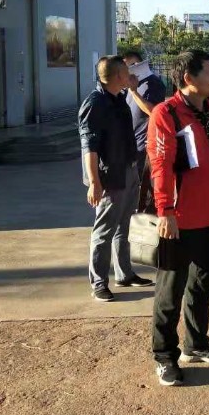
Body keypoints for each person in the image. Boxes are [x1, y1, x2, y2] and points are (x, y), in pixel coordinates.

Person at [147, 50, 209, 387]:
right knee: (170, 293)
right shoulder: (166, 113)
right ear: (188, 78)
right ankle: (165, 356)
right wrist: (165, 210)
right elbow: (160, 165)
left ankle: (196, 344)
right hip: (178, 219)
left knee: (202, 286)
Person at [78, 56, 153, 302]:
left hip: (128, 170)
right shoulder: (95, 103)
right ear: (118, 76)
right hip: (110, 176)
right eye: (127, 72)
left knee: (124, 225)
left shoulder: (119, 98)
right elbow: (89, 146)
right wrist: (94, 182)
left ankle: (125, 274)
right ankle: (99, 282)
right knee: (104, 231)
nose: (131, 75)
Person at [123, 51, 167, 214]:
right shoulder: (129, 87)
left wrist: (134, 92)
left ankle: (146, 219)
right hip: (131, 143)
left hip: (145, 145)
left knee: (145, 188)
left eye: (132, 65)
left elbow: (154, 111)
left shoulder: (153, 84)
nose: (129, 69)